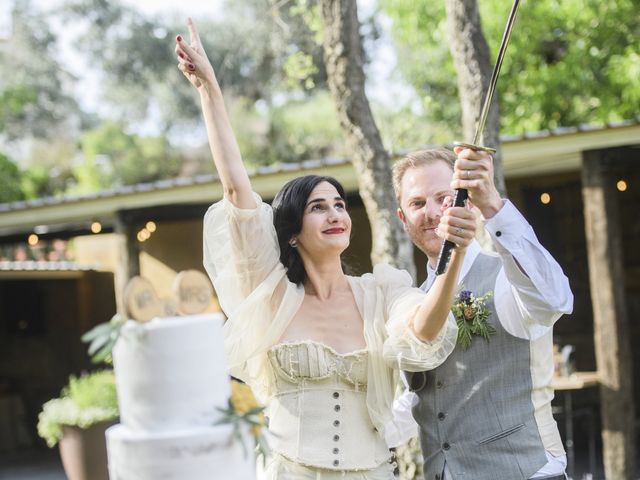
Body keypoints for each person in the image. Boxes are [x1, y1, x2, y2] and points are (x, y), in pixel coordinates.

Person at [175, 19, 478, 480]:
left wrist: (453, 254)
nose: (336, 214)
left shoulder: (381, 291)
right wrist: (209, 90)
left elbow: (423, 329)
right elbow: (237, 190)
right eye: (319, 207)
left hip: (373, 471)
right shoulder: (273, 294)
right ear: (293, 230)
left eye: (339, 204)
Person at [392, 148, 574, 480]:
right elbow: (417, 397)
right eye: (417, 204)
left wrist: (493, 204)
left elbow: (556, 300)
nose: (432, 213)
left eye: (443, 198)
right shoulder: (414, 302)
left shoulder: (507, 275)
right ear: (403, 218)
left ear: (468, 203)